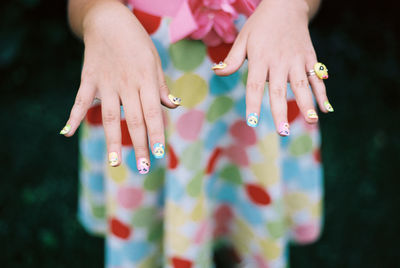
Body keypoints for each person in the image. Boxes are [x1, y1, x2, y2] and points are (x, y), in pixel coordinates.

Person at [62, 0, 331, 267]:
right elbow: (81, 6)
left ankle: (237, 238)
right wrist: (99, 14)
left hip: (264, 56)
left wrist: (292, 6)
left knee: (249, 170)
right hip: (140, 64)